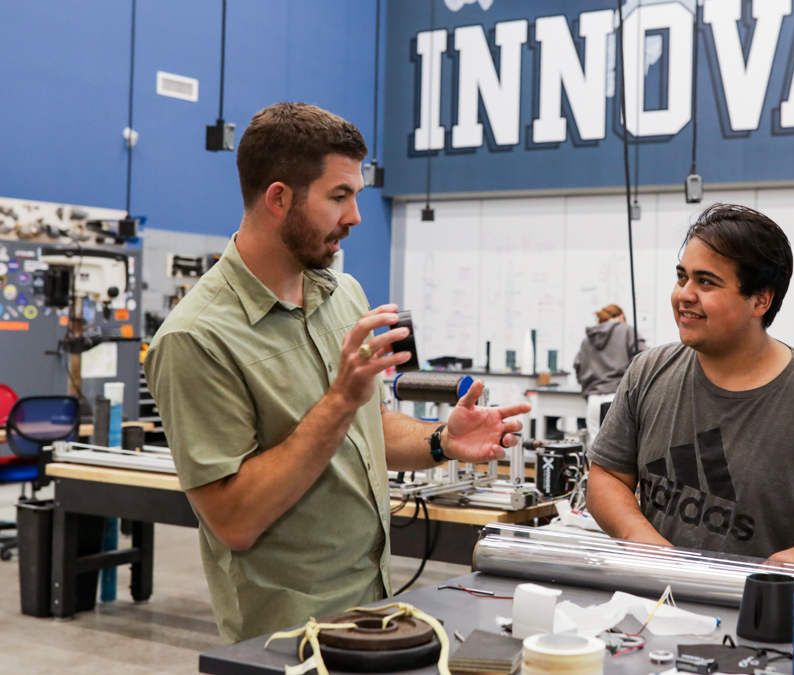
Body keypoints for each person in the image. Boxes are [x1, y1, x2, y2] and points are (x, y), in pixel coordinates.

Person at [143, 103, 528, 642]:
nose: (355, 217)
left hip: (374, 604)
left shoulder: (342, 295)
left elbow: (367, 428)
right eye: (338, 196)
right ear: (279, 198)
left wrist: (442, 440)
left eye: (356, 196)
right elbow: (233, 520)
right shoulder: (197, 338)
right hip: (285, 634)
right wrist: (341, 399)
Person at [585, 204, 794, 567]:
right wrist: (643, 540)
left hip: (755, 614)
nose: (684, 294)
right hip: (653, 607)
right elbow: (606, 476)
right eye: (682, 277)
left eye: (706, 282)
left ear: (761, 299)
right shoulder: (648, 372)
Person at [574, 304, 644, 440]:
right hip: (619, 398)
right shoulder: (627, 331)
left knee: (594, 449)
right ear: (621, 317)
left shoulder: (588, 339)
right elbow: (643, 360)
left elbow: (578, 366)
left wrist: (589, 388)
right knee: (621, 448)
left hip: (593, 399)